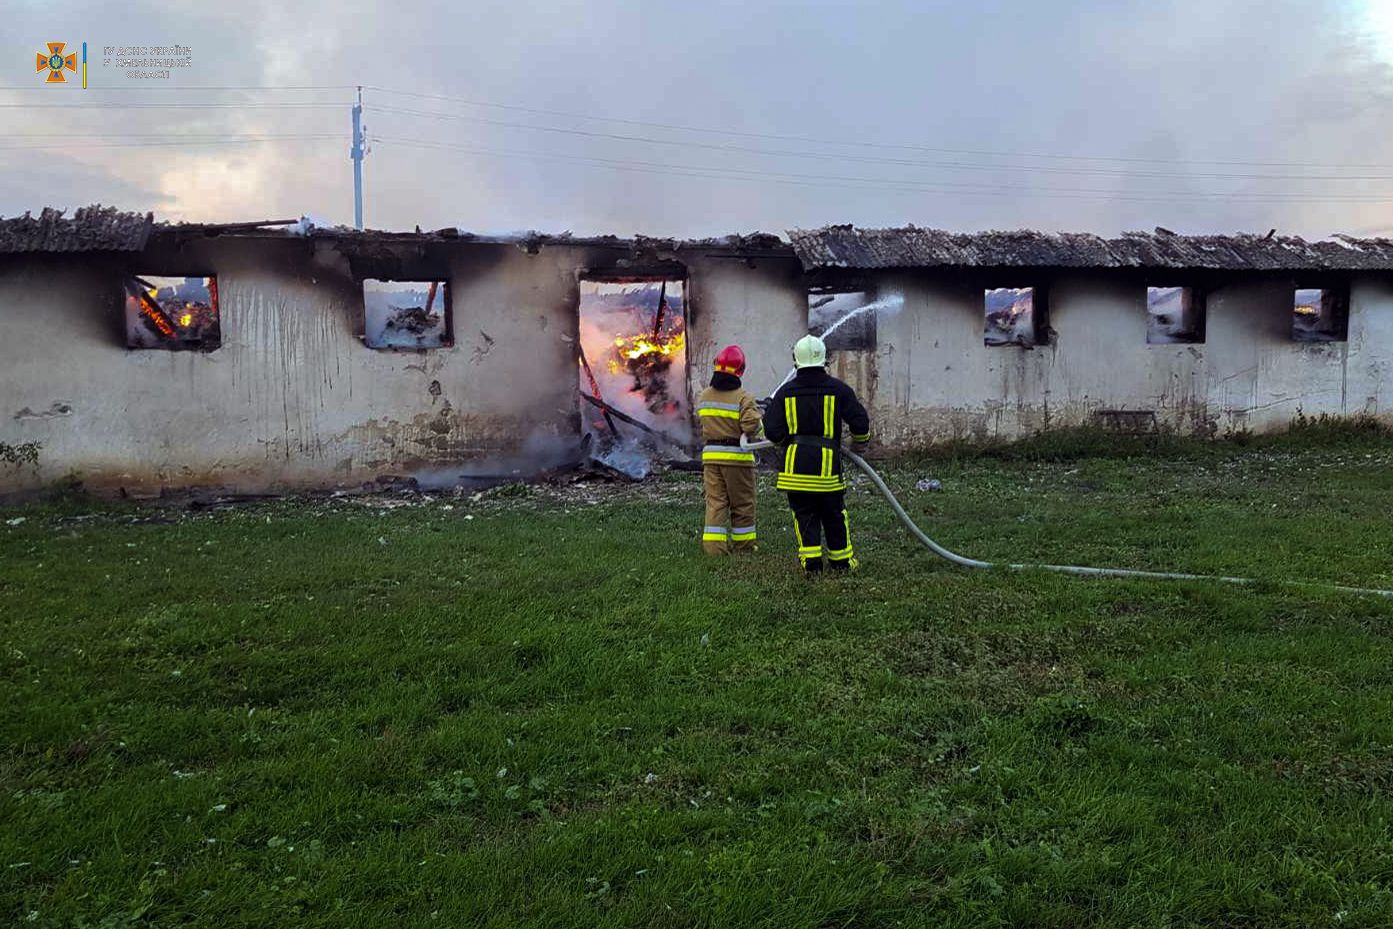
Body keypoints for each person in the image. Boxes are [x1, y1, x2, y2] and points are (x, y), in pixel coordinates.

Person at [762, 334, 871, 573]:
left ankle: (811, 564)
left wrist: (785, 441)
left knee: (804, 516)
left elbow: (772, 430)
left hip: (796, 472)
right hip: (827, 472)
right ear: (824, 360)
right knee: (834, 515)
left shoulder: (785, 393)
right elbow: (860, 422)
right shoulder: (839, 389)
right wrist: (859, 445)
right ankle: (841, 563)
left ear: (796, 361)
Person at [697, 344, 763, 554]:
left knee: (715, 503)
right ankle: (744, 547)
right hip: (736, 459)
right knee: (742, 503)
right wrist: (760, 420)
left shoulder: (704, 396)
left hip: (711, 458)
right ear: (740, 370)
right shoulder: (744, 397)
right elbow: (750, 427)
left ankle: (714, 549)